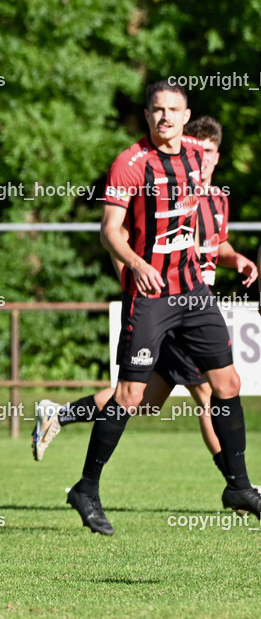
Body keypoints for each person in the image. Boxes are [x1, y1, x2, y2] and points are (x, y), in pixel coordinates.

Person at [46, 83, 261, 536]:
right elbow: (110, 231)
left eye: (173, 110)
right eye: (157, 110)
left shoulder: (196, 160)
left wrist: (230, 254)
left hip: (193, 292)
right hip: (152, 294)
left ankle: (238, 486)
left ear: (186, 117)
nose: (165, 117)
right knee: (130, 396)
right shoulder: (130, 163)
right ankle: (86, 487)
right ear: (147, 115)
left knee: (227, 383)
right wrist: (137, 265)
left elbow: (206, 230)